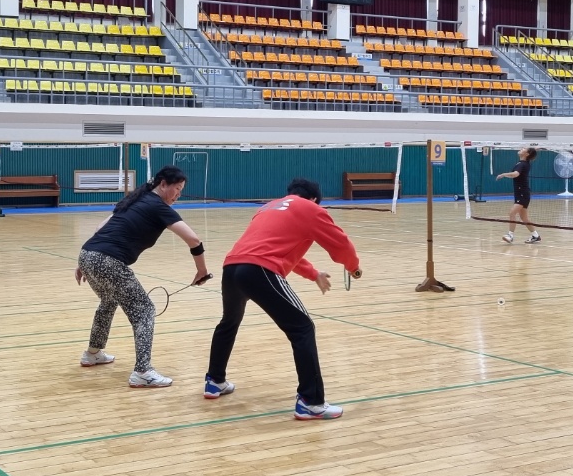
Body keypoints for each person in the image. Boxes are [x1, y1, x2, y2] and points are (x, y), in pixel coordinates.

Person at [204, 178, 361, 421]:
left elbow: (278, 248)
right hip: (259, 271)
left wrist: (314, 274)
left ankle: (214, 381)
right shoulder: (311, 208)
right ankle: (311, 402)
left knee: (229, 322)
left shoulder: (268, 207)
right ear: (314, 200)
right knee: (303, 328)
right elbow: (341, 245)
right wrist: (353, 267)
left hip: (232, 267)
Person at [75, 166, 208, 388]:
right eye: (177, 188)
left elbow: (101, 227)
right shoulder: (158, 206)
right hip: (109, 260)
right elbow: (194, 240)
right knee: (145, 311)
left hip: (88, 254)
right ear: (163, 184)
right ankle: (143, 372)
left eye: (181, 190)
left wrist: (86, 262)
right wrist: (202, 270)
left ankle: (92, 353)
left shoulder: (136, 199)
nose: (178, 195)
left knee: (108, 301)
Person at [496, 147, 540, 244]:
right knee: (524, 218)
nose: (521, 149)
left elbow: (515, 174)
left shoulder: (522, 164)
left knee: (512, 213)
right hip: (522, 193)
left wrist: (503, 174)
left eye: (524, 149)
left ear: (527, 154)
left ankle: (510, 235)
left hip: (522, 193)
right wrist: (535, 149)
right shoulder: (524, 163)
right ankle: (535, 235)